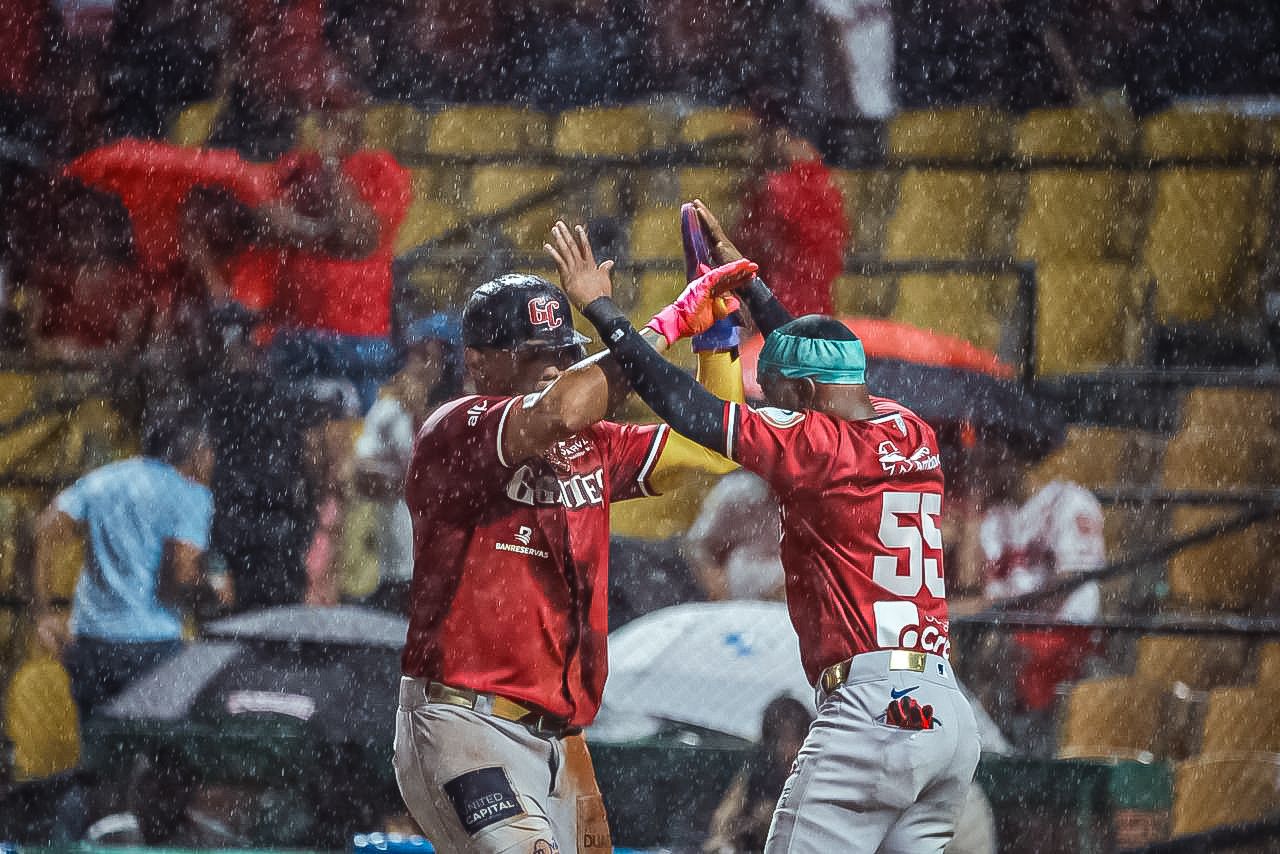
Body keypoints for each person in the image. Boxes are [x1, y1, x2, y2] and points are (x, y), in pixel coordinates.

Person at [563, 201, 980, 853]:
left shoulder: (814, 441)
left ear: (805, 399)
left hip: (869, 709)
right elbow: (814, 369)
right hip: (942, 714)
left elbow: (688, 407)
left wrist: (604, 313)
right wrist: (753, 287)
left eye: (778, 396)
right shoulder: (910, 427)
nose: (770, 406)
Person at [392, 221, 751, 853]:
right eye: (535, 356)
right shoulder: (455, 428)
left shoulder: (591, 444)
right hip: (464, 723)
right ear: (479, 361)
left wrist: (717, 335)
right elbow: (559, 409)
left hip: (563, 739)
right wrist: (663, 321)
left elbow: (710, 447)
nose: (554, 367)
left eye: (563, 353)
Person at [31, 409, 225, 719]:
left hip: (91, 643)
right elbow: (181, 574)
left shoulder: (103, 479)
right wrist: (213, 594)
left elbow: (45, 530)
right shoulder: (191, 494)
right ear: (198, 453)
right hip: (153, 646)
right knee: (154, 751)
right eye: (211, 450)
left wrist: (44, 613)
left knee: (99, 748)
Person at [265, 78, 412, 411]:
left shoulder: (383, 170)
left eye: (340, 111)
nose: (331, 121)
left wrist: (332, 167)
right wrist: (322, 232)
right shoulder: (293, 168)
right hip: (295, 332)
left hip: (357, 337)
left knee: (357, 440)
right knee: (294, 438)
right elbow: (270, 226)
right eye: (326, 111)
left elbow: (358, 237)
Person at [353, 312, 461, 612]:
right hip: (394, 564)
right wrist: (407, 482)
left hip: (446, 567)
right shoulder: (389, 407)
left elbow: (448, 479)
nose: (414, 365)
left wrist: (418, 412)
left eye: (426, 356)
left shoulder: (468, 408)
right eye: (412, 354)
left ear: (448, 363)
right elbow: (359, 473)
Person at [735, 91, 849, 318]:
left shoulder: (779, 186)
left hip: (784, 303)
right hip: (804, 304)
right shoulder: (822, 181)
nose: (753, 147)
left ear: (780, 135)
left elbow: (749, 243)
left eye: (758, 136)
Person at [704, 696, 813, 853]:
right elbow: (722, 825)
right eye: (780, 739)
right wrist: (751, 824)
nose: (788, 749)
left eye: (794, 738)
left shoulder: (815, 777)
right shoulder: (756, 776)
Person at [685, 469, 784, 602]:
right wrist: (717, 585)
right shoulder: (738, 494)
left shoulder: (813, 502)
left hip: (791, 605)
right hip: (740, 601)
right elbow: (700, 547)